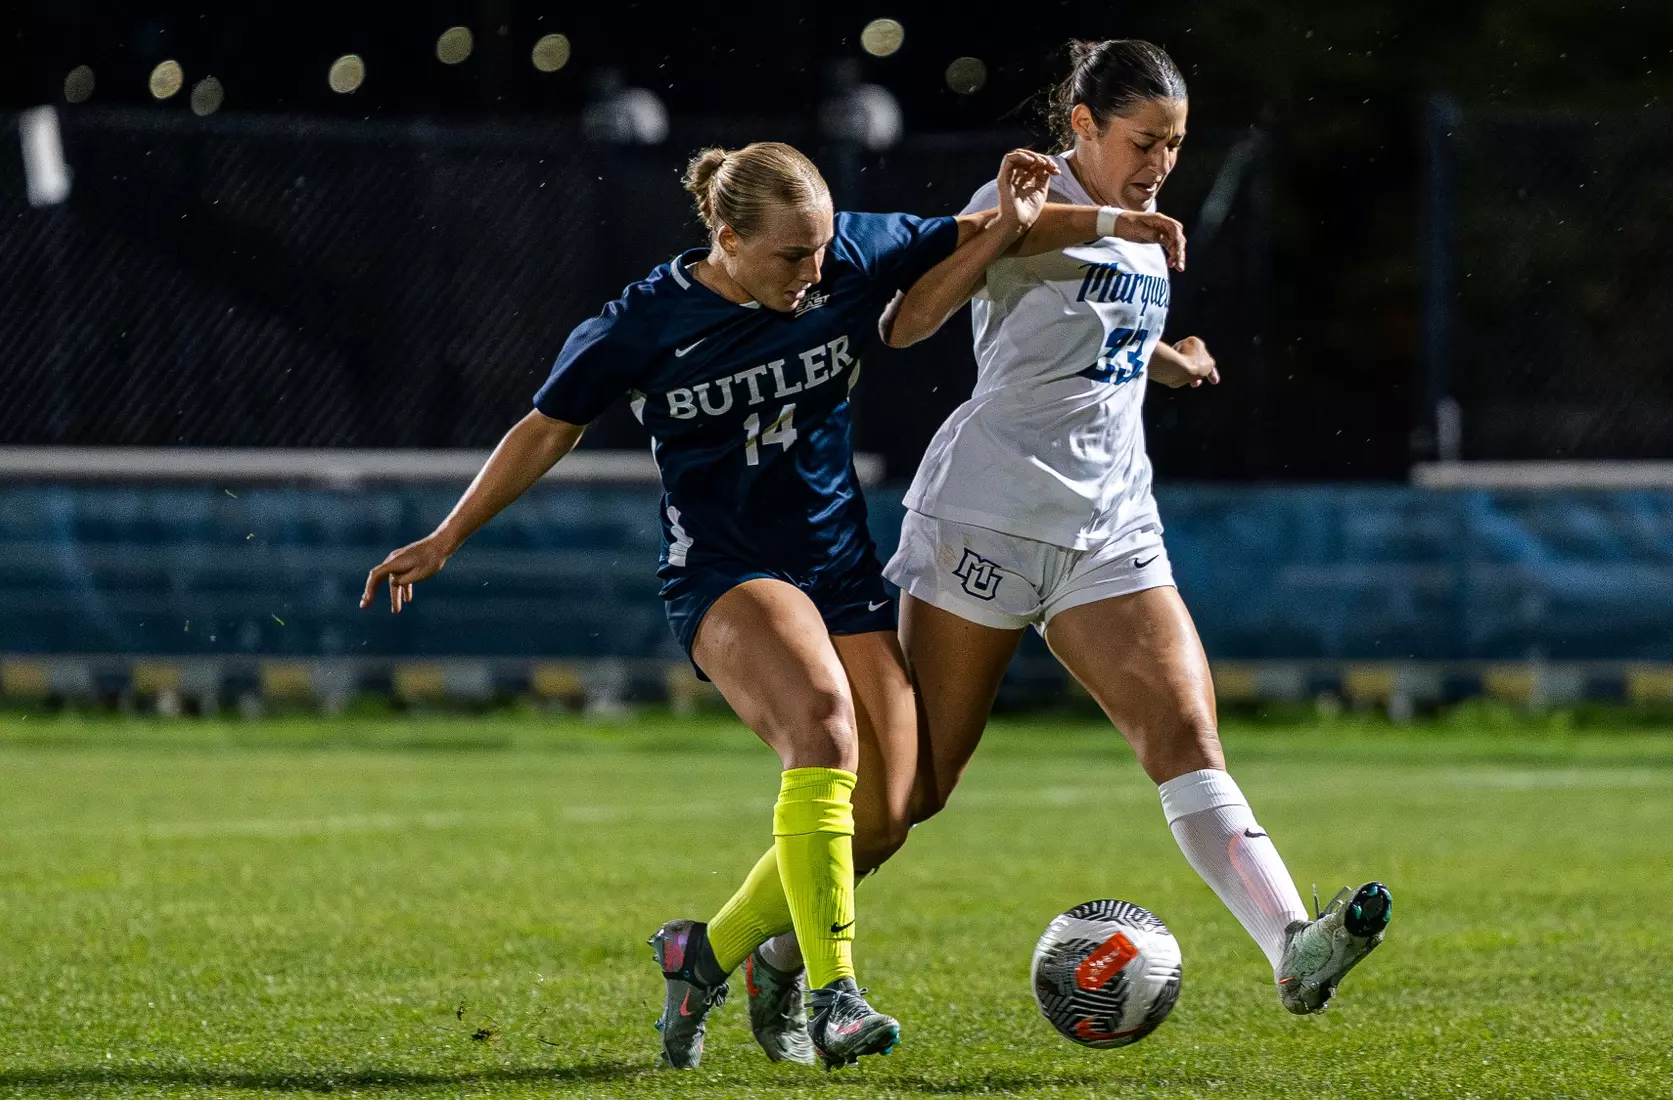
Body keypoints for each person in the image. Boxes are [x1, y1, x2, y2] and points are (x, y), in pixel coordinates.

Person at [358, 140, 1186, 1069]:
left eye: (824, 249)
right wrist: (447, 536)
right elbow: (546, 427)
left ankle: (703, 954)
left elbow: (996, 229)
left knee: (892, 810)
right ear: (725, 239)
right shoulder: (640, 324)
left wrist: (1119, 221)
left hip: (837, 569)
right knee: (825, 728)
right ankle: (833, 994)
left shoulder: (844, 253)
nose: (817, 271)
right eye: (792, 256)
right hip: (726, 572)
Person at [879, 39, 1395, 1016]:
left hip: (1110, 525)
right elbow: (907, 322)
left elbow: (1088, 327)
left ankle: (1293, 943)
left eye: (1175, 143)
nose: (1160, 161)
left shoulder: (1136, 224)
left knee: (1187, 735)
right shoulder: (1025, 203)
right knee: (916, 790)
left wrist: (1172, 361)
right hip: (987, 521)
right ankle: (759, 944)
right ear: (1083, 127)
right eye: (1143, 139)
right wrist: (1005, 232)